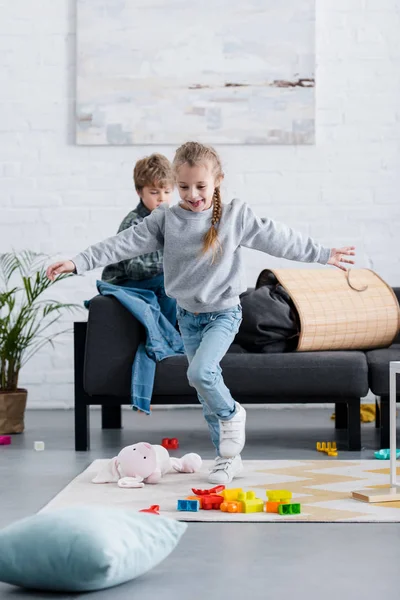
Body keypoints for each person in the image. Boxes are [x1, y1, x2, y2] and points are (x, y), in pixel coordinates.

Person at [47, 141, 355, 484]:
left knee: (201, 373)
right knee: (205, 391)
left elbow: (278, 238)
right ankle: (227, 458)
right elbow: (122, 243)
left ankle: (233, 413)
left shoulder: (235, 216)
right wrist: (78, 261)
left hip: (224, 313)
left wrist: (323, 253)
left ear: (218, 180)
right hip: (188, 318)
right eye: (183, 187)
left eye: (201, 186)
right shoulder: (166, 219)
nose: (192, 194)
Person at [101, 153, 176, 325]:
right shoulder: (133, 222)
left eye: (167, 191)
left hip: (151, 279)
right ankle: (170, 340)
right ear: (139, 192)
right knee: (168, 286)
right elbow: (135, 269)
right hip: (123, 282)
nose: (162, 198)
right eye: (154, 192)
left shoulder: (170, 220)